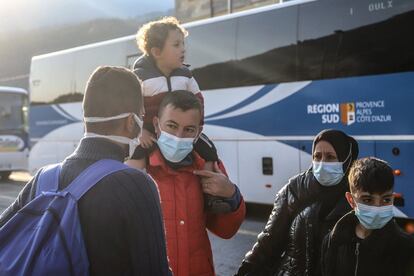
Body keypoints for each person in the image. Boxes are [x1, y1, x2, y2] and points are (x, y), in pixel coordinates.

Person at [0, 66, 171, 275]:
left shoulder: (42, 179)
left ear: (85, 118)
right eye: (141, 116)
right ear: (130, 122)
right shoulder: (136, 185)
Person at [127, 16, 228, 213]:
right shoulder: (140, 77)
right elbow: (130, 108)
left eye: (183, 43)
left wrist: (196, 129)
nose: (183, 49)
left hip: (181, 129)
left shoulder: (186, 75)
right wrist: (140, 133)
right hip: (150, 131)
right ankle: (131, 195)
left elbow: (198, 100)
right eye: (176, 44)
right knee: (137, 155)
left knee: (209, 152)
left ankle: (210, 197)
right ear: (156, 52)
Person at [140, 90, 246, 276]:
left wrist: (231, 195)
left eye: (188, 129)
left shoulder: (209, 167)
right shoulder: (139, 170)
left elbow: (226, 231)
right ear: (156, 124)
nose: (179, 136)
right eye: (171, 126)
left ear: (198, 132)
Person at [236, 129, 359, 276]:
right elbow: (269, 242)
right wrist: (246, 271)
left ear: (346, 160)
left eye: (330, 157)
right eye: (317, 156)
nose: (322, 163)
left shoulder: (358, 195)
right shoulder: (294, 190)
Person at [320, 157, 414, 276]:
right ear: (351, 200)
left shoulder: (406, 248)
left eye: (386, 199)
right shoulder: (332, 242)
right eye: (368, 200)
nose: (378, 207)